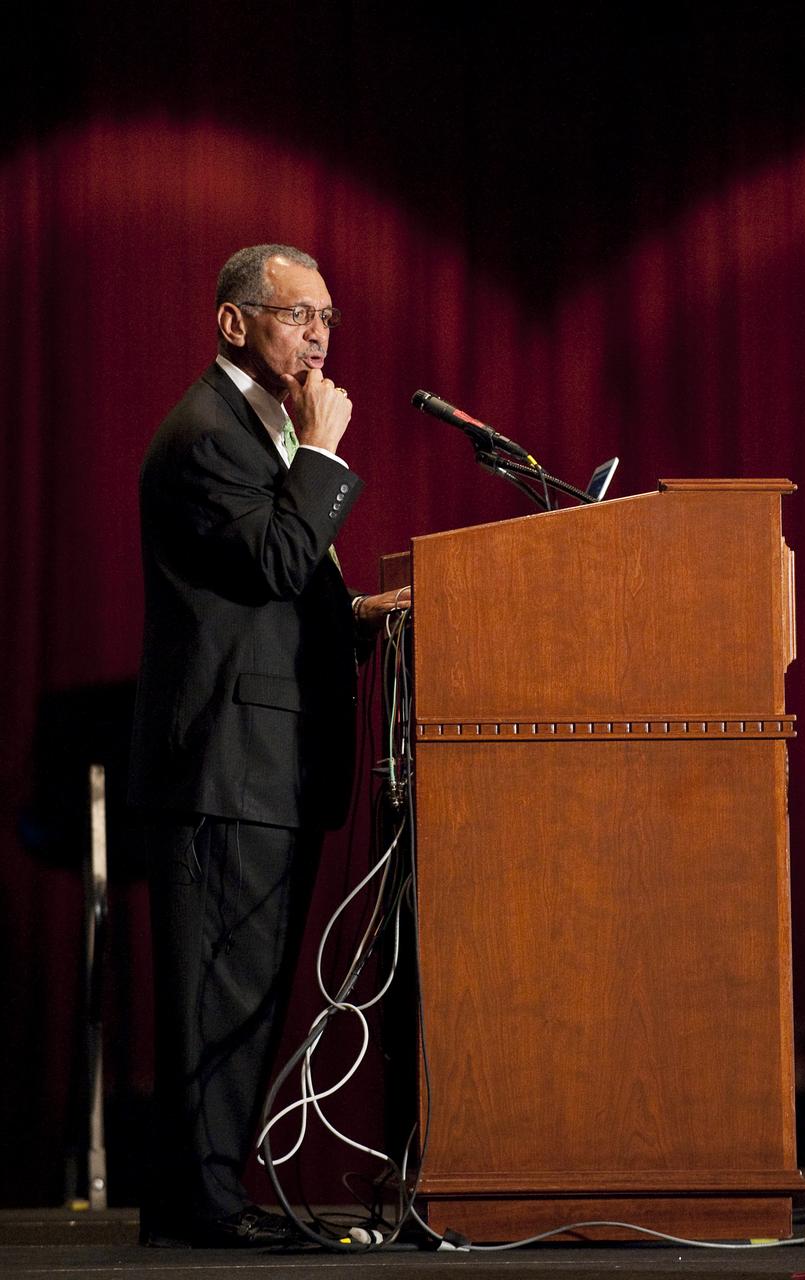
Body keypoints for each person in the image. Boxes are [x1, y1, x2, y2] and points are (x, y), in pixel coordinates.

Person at [128, 244, 408, 1248]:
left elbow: (275, 588)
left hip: (262, 763)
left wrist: (356, 614)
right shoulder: (209, 433)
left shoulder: (256, 429)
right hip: (227, 765)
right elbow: (280, 554)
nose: (321, 334)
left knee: (242, 997)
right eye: (299, 314)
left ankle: (201, 1199)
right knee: (220, 1000)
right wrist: (324, 453)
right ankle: (201, 1206)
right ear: (235, 323)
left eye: (328, 314)